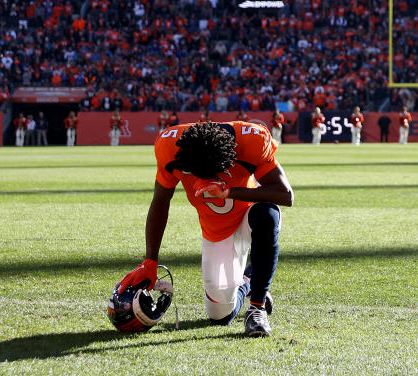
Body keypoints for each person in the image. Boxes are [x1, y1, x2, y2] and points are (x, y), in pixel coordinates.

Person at [117, 120, 293, 337]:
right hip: (217, 233)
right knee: (220, 317)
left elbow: (285, 195)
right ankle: (248, 280)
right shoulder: (169, 146)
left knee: (267, 214)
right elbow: (161, 201)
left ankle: (257, 308)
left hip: (249, 217)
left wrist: (229, 192)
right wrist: (150, 261)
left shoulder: (251, 140)